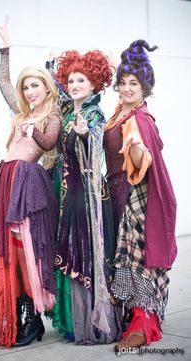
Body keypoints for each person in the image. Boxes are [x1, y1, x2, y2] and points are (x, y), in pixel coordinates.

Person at [0, 18, 62, 348]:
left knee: (27, 250)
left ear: (46, 87)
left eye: (35, 85)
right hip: (7, 183)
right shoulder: (20, 113)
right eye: (26, 86)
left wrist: (35, 132)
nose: (30, 91)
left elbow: (48, 144)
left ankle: (32, 319)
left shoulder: (52, 115)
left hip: (30, 187)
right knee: (10, 254)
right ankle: (20, 313)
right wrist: (5, 48)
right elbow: (3, 84)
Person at [103, 39, 177, 352]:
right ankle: (132, 313)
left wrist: (137, 147)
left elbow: (143, 153)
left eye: (134, 83)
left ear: (145, 87)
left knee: (139, 259)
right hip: (117, 192)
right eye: (123, 83)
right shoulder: (118, 113)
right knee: (123, 259)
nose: (127, 88)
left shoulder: (140, 120)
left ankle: (144, 321)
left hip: (137, 194)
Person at [51, 49, 122, 344]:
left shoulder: (94, 113)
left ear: (94, 84)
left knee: (90, 257)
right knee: (72, 256)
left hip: (89, 199)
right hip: (70, 198)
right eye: (70, 79)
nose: (75, 83)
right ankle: (72, 322)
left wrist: (84, 134)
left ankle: (95, 324)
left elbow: (94, 139)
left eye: (81, 79)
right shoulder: (65, 109)